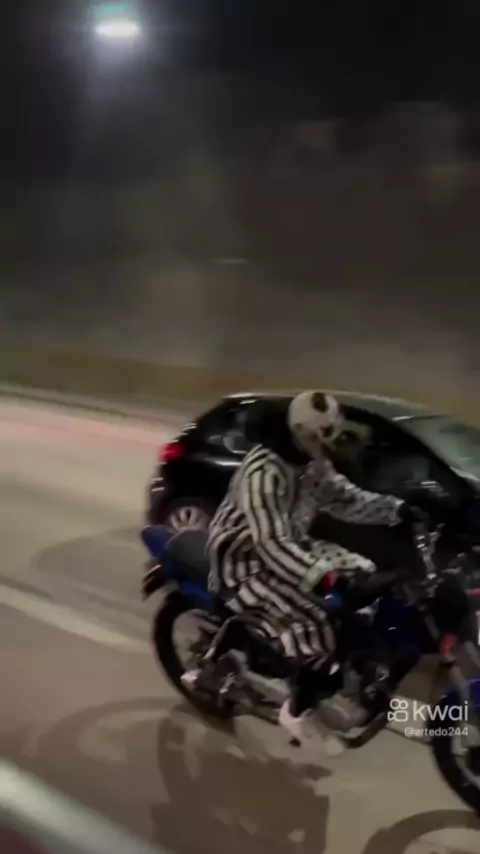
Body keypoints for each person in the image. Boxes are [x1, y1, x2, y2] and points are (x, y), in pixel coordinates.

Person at [184, 391, 406, 746]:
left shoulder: (310, 462)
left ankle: (347, 675)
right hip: (244, 560)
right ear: (301, 434)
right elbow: (270, 543)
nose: (328, 448)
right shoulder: (264, 471)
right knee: (316, 624)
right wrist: (324, 579)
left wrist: (397, 510)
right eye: (321, 440)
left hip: (291, 547)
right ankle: (297, 709)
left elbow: (345, 499)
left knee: (364, 572)